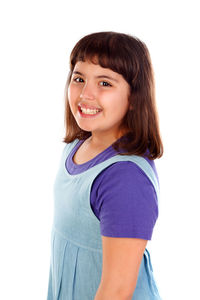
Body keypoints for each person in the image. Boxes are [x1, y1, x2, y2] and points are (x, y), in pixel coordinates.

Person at [47, 31, 164, 300]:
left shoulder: (125, 179)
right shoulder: (77, 147)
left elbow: (117, 290)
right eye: (79, 79)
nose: (86, 94)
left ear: (134, 97)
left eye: (105, 83)